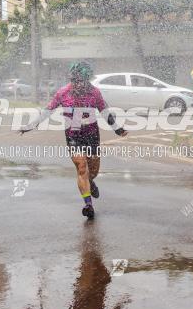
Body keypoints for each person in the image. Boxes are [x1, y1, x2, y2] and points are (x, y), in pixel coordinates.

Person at [20, 61, 127, 219]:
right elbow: (47, 111)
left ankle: (91, 182)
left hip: (91, 135)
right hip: (73, 135)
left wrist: (118, 129)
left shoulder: (95, 92)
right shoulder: (63, 93)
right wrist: (31, 125)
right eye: (74, 80)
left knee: (93, 170)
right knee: (82, 168)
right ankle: (88, 205)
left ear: (86, 80)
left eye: (80, 81)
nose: (76, 84)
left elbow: (105, 112)